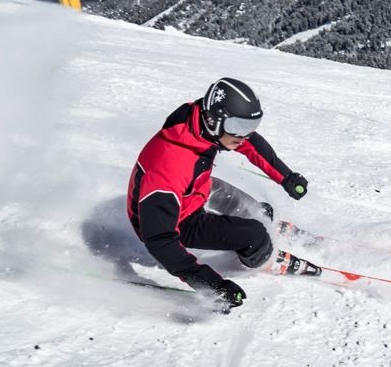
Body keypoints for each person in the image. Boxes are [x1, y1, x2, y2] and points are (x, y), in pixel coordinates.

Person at [126, 78, 308, 308]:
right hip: (176, 222)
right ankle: (263, 256)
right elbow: (159, 239)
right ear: (215, 120)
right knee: (256, 234)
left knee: (241, 201)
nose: (244, 136)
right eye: (239, 128)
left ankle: (256, 219)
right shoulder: (170, 166)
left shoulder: (203, 128)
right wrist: (212, 285)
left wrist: (286, 177)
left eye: (249, 127)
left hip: (192, 191)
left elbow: (250, 143)